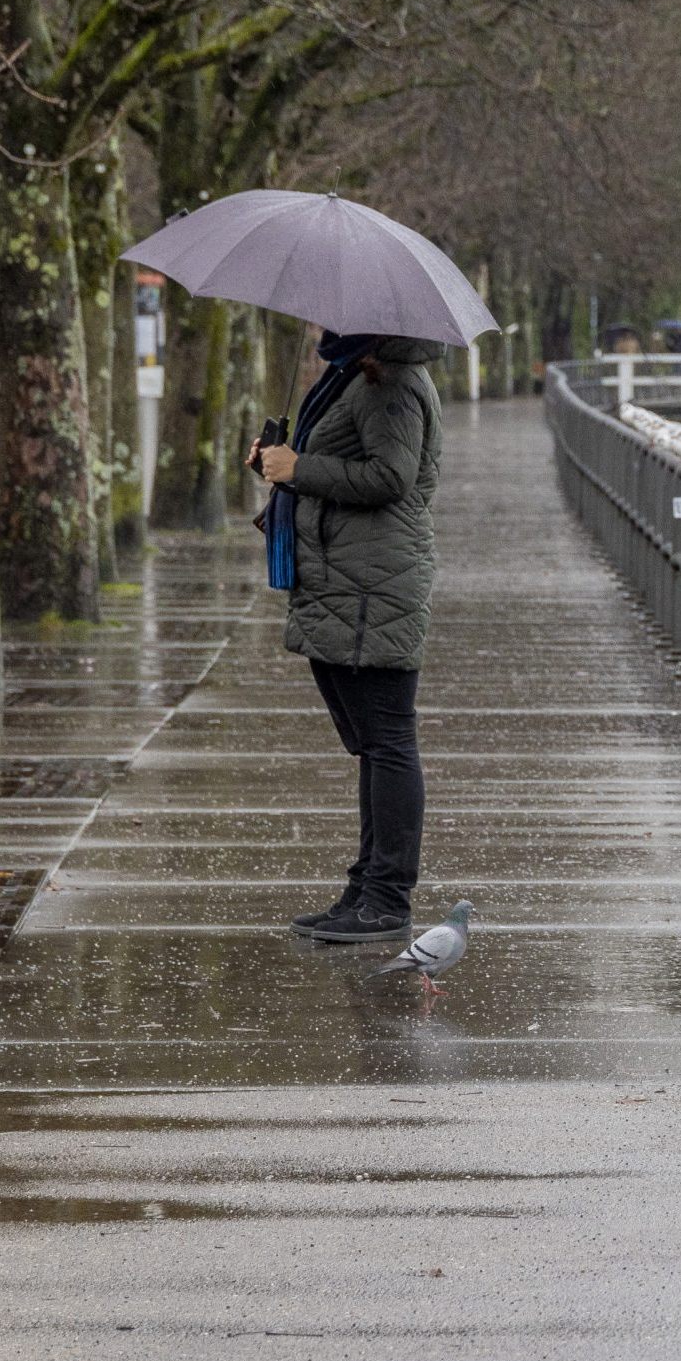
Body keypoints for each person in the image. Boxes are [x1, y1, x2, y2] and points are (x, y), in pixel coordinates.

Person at [253, 330, 445, 943]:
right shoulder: (356, 376)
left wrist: (301, 467)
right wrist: (279, 464)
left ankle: (387, 897)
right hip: (346, 579)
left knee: (387, 739)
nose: (316, 331)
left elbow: (392, 476)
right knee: (370, 741)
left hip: (372, 584)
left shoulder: (389, 383)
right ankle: (365, 887)